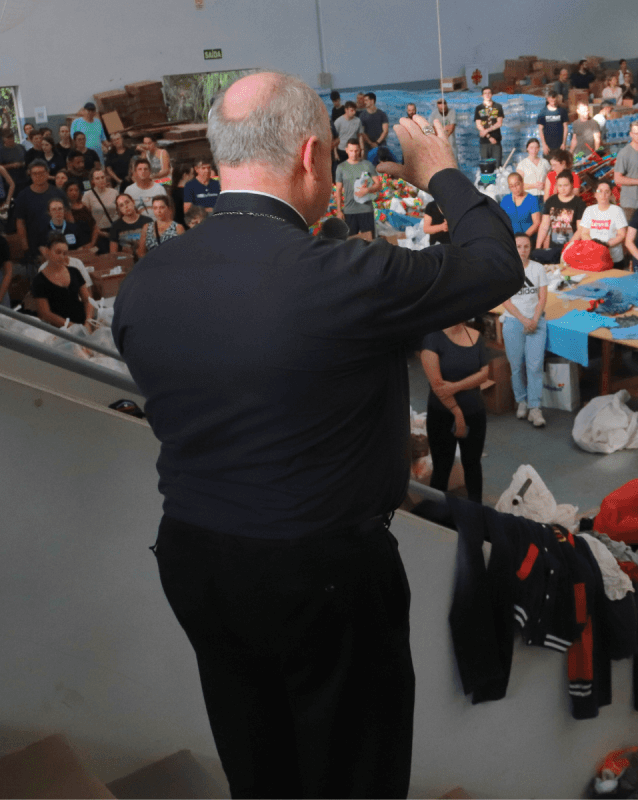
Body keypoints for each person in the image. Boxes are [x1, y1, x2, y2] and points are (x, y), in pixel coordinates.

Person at [111, 71, 522, 798]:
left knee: (259, 763)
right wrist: (442, 172)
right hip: (321, 575)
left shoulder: (148, 278)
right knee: (354, 773)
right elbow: (495, 264)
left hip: (197, 558)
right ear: (312, 156)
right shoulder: (339, 273)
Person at [421, 318, 491, 502]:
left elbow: (484, 374)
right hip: (442, 415)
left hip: (475, 413)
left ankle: (476, 514)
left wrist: (455, 386)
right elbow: (437, 386)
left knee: (473, 465)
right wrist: (457, 413)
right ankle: (436, 519)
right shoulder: (432, 338)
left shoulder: (475, 336)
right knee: (442, 468)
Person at [498, 232, 551, 428]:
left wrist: (534, 320)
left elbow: (542, 298)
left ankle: (535, 407)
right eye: (519, 247)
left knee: (535, 365)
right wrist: (523, 319)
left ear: (530, 248)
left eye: (526, 247)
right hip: (513, 322)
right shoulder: (506, 269)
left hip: (536, 322)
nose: (522, 250)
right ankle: (522, 400)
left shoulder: (538, 269)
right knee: (516, 365)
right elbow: (505, 300)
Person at [30, 235, 94, 329]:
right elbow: (45, 313)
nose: (61, 257)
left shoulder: (74, 271)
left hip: (82, 324)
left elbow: (87, 300)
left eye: (64, 253)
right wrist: (71, 326)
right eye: (58, 252)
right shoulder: (39, 280)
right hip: (59, 330)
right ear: (47, 252)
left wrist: (88, 321)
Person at [335, 140, 381, 240]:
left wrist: (367, 190)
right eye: (351, 151)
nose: (354, 154)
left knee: (369, 242)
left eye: (356, 151)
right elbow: (338, 190)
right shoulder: (341, 167)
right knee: (350, 244)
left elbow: (378, 185)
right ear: (346, 150)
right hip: (349, 211)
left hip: (366, 210)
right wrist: (339, 211)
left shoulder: (367, 165)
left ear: (360, 150)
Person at [535, 171, 586, 263]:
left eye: (565, 185)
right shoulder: (551, 201)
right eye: (560, 186)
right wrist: (538, 247)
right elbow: (544, 226)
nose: (562, 189)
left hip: (572, 248)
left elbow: (580, 229)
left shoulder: (579, 203)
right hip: (553, 248)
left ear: (572, 185)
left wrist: (568, 247)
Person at [578, 178, 628, 266]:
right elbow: (584, 233)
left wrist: (606, 244)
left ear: (610, 194)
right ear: (595, 194)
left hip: (614, 259)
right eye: (600, 191)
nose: (603, 195)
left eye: (606, 191)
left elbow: (622, 235)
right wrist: (595, 246)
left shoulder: (617, 211)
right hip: (594, 257)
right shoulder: (589, 210)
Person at [83, 168, 120, 244]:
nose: (101, 180)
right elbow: (86, 216)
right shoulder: (88, 195)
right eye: (97, 178)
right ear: (93, 181)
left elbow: (120, 212)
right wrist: (97, 231)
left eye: (102, 177)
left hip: (115, 229)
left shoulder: (114, 192)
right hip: (99, 231)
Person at [500, 171, 541, 237]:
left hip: (528, 238)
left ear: (522, 183)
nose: (515, 188)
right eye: (512, 186)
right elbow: (501, 222)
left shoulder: (532, 199)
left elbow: (537, 223)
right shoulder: (505, 200)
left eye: (517, 184)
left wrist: (523, 238)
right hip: (511, 239)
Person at [64, 182, 101, 253]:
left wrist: (92, 243)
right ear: (66, 192)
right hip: (75, 247)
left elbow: (95, 226)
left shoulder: (85, 206)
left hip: (92, 244)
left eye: (76, 190)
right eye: (71, 190)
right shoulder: (64, 210)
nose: (74, 192)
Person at [474, 87, 504, 164]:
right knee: (486, 166)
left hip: (496, 140)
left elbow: (499, 123)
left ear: (492, 94)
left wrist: (486, 131)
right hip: (484, 142)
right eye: (485, 93)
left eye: (489, 92)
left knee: (497, 165)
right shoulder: (479, 108)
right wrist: (488, 136)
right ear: (482, 95)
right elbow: (478, 125)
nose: (487, 94)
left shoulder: (498, 107)